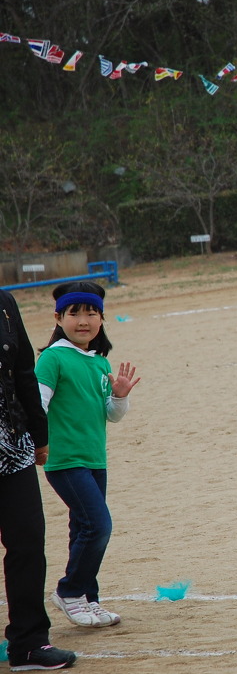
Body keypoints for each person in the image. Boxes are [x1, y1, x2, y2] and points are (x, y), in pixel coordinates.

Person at [36, 281, 140, 629]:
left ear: (102, 318)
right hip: (65, 460)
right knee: (98, 526)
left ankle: (88, 599)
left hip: (95, 460)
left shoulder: (99, 362)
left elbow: (111, 415)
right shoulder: (53, 358)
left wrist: (120, 395)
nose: (83, 321)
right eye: (75, 313)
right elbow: (38, 406)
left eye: (91, 313)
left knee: (82, 527)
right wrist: (38, 443)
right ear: (58, 318)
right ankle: (69, 591)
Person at [0, 289, 78, 670]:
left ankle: (29, 644)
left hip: (11, 445)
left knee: (28, 540)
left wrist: (39, 434)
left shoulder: (4, 303)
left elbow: (24, 370)